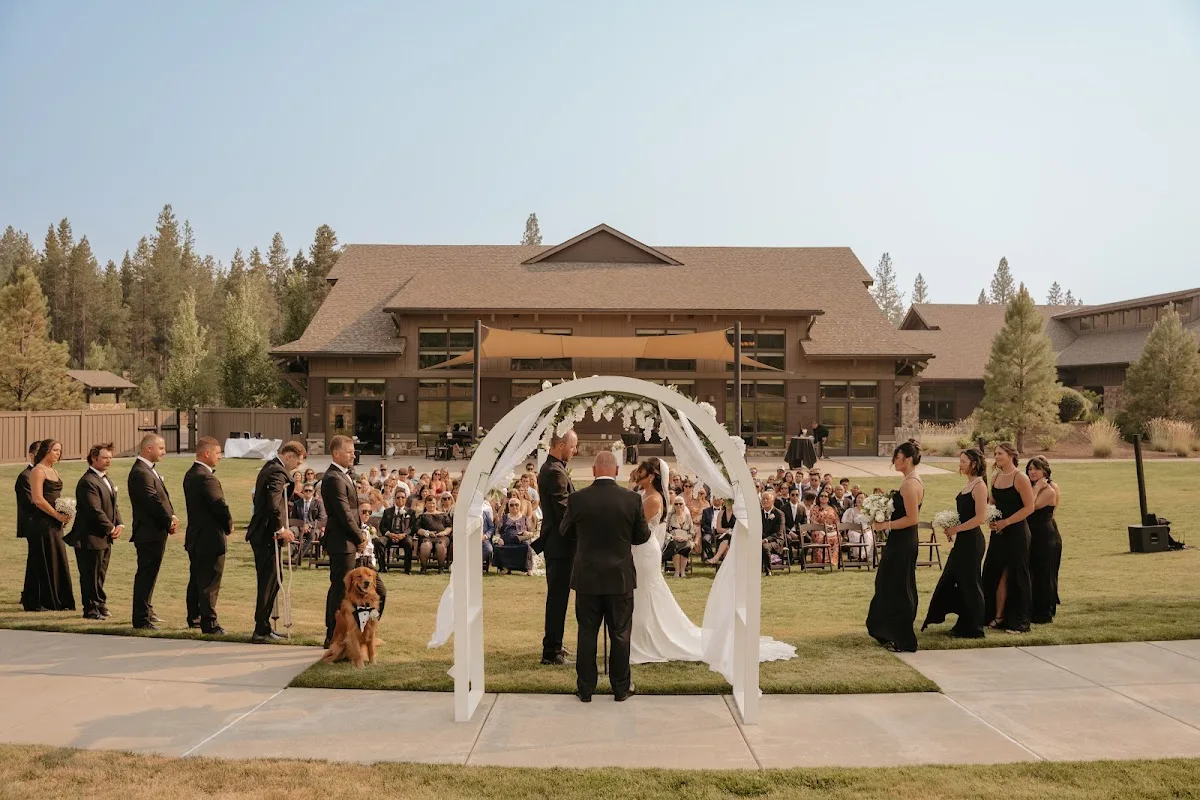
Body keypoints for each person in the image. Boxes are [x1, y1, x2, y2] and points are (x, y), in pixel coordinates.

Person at [559, 450, 651, 702]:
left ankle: (586, 688)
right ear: (617, 470)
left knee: (587, 632)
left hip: (587, 577)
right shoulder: (631, 499)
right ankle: (621, 688)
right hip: (619, 577)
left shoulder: (578, 499)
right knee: (620, 633)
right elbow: (642, 536)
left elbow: (564, 530)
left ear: (593, 470)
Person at [630, 459, 705, 662]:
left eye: (641, 472)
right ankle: (638, 637)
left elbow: (634, 525)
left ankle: (644, 641)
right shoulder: (645, 495)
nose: (637, 475)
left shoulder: (654, 500)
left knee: (643, 592)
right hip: (639, 548)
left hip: (645, 550)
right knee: (640, 593)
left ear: (652, 477)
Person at [866, 439, 924, 652]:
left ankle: (902, 636)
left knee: (897, 587)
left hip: (904, 541)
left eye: (897, 458)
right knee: (889, 584)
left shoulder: (910, 484)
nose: (894, 462)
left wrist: (885, 523)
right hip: (901, 540)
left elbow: (912, 518)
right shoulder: (910, 480)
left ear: (908, 460)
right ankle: (886, 629)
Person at [922, 449, 987, 639]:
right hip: (963, 541)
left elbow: (980, 517)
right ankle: (961, 622)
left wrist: (956, 529)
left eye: (963, 461)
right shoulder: (969, 484)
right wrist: (953, 527)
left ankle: (974, 627)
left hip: (973, 541)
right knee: (952, 579)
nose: (960, 464)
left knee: (971, 583)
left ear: (974, 463)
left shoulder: (980, 486)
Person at [247, 440, 305, 643]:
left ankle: (264, 626)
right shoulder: (276, 472)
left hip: (265, 533)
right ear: (288, 456)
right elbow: (273, 504)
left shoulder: (272, 467)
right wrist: (281, 530)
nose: (297, 467)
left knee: (272, 582)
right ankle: (260, 629)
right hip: (266, 535)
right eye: (297, 462)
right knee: (268, 582)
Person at [65, 443, 122, 620]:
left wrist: (119, 524)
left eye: (110, 458)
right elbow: (93, 510)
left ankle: (100, 604)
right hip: (89, 537)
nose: (108, 461)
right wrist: (110, 527)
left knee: (100, 573)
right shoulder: (87, 482)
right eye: (105, 457)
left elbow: (113, 504)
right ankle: (90, 609)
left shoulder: (105, 478)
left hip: (103, 537)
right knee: (90, 574)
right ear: (93, 458)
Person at [535, 430, 578, 666]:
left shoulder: (554, 468)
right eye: (573, 446)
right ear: (560, 445)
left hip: (558, 543)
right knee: (558, 598)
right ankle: (550, 651)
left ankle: (556, 644)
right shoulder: (553, 472)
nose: (575, 451)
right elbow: (565, 510)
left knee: (559, 597)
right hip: (560, 544)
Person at [983, 443, 1035, 633]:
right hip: (998, 533)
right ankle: (996, 616)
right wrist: (991, 518)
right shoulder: (996, 477)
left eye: (1000, 454)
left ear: (1011, 455)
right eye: (995, 454)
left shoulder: (1020, 478)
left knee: (1016, 575)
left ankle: (1019, 622)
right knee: (992, 572)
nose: (996, 457)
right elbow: (992, 502)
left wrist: (1007, 522)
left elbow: (1029, 507)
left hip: (1017, 532)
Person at [183, 437, 233, 635]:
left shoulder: (190, 474)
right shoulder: (206, 478)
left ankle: (194, 616)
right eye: (218, 452)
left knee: (196, 578)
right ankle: (209, 622)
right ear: (206, 453)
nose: (220, 456)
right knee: (210, 581)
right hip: (209, 537)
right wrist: (228, 525)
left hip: (195, 535)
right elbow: (219, 506)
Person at [321, 435, 365, 649]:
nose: (353, 455)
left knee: (368, 589)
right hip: (342, 542)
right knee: (339, 590)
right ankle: (332, 636)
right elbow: (344, 513)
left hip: (348, 540)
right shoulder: (333, 478)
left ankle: (358, 633)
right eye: (349, 452)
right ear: (336, 453)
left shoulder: (343, 476)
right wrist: (359, 537)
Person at [129, 434, 176, 629]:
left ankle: (146, 609)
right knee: (146, 574)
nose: (164, 452)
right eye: (161, 448)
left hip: (155, 530)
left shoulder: (148, 470)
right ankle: (141, 619)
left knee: (151, 573)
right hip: (148, 532)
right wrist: (169, 519)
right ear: (149, 448)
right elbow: (152, 501)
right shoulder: (141, 472)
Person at [25, 439, 76, 612]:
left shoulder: (53, 470)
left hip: (55, 523)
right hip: (42, 522)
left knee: (56, 557)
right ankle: (41, 600)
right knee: (43, 559)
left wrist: (65, 512)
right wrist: (56, 515)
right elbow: (38, 499)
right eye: (55, 450)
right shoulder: (38, 471)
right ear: (46, 451)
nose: (58, 453)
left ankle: (59, 599)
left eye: (59, 450)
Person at [1026, 456, 1063, 625]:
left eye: (1036, 469)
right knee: (1033, 572)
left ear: (1045, 471)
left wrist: (1036, 488)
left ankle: (1044, 613)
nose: (1032, 472)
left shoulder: (1049, 489)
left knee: (1044, 574)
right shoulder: (1031, 486)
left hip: (1045, 535)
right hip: (1032, 534)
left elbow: (1030, 507)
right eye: (1030, 469)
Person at [16, 441, 41, 611]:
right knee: (35, 559)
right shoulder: (25, 476)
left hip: (44, 524)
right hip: (33, 524)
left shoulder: (44, 473)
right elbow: (30, 504)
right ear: (31, 455)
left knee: (37, 559)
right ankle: (29, 595)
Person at [494, 497, 535, 574]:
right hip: (506, 541)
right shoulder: (504, 518)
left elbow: (532, 533)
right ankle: (505, 567)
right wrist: (498, 539)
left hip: (520, 540)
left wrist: (527, 533)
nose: (514, 507)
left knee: (527, 546)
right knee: (498, 546)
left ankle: (528, 569)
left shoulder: (525, 518)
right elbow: (497, 531)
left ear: (520, 506)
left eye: (516, 505)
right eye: (511, 505)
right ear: (508, 507)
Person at [378, 486, 414, 573]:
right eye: (398, 497)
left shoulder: (410, 512)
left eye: (402, 497)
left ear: (406, 499)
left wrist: (403, 534)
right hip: (390, 536)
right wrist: (389, 534)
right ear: (394, 499)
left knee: (409, 542)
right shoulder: (387, 511)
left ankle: (407, 568)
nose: (400, 499)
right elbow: (382, 526)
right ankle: (382, 567)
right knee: (378, 541)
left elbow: (412, 527)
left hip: (404, 536)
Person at [291, 482, 327, 564]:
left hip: (314, 527)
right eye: (306, 490)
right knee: (291, 531)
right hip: (299, 526)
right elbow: (293, 519)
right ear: (302, 491)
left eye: (310, 491)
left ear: (313, 492)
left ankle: (298, 555)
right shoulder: (297, 503)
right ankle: (292, 554)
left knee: (313, 535)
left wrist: (309, 525)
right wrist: (301, 526)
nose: (308, 492)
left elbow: (321, 519)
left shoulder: (318, 503)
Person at [665, 496, 696, 579]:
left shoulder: (688, 517)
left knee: (686, 546)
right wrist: (674, 537)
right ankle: (677, 571)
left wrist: (687, 537)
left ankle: (682, 571)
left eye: (680, 504)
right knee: (675, 546)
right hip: (673, 539)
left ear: (684, 505)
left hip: (685, 539)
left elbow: (692, 532)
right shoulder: (670, 516)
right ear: (674, 505)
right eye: (676, 504)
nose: (678, 505)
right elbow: (665, 531)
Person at [760, 491, 784, 575]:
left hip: (776, 540)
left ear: (772, 500)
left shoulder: (779, 514)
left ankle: (768, 570)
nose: (765, 501)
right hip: (761, 539)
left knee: (765, 546)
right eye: (763, 499)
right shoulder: (758, 513)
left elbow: (778, 533)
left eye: (767, 499)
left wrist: (765, 540)